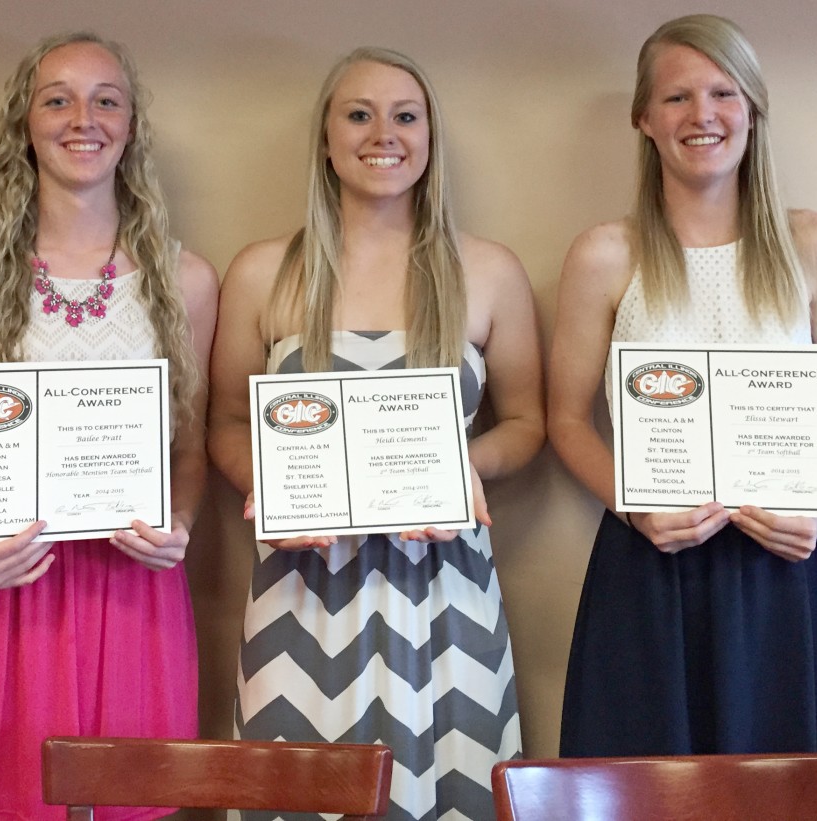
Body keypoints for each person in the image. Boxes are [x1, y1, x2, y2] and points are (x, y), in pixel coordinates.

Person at [548, 14, 817, 820]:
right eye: (675, 96)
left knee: (803, 793)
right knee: (649, 791)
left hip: (790, 564)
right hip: (653, 569)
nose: (700, 114)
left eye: (721, 93)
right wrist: (636, 505)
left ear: (753, 108)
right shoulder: (605, 253)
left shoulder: (813, 244)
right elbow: (568, 419)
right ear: (643, 117)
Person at [0, 32, 218, 820]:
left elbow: (190, 452)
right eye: (58, 98)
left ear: (131, 125)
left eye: (107, 98)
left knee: (129, 804)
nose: (84, 117)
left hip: (130, 601)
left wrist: (179, 522)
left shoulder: (186, 280)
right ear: (24, 123)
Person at [209, 46, 544, 820]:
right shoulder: (266, 270)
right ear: (326, 140)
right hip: (302, 589)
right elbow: (225, 423)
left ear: (429, 138)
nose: (381, 133)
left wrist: (464, 462)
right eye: (358, 114)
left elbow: (527, 424)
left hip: (447, 591)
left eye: (404, 115)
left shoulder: (486, 270)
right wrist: (263, 485)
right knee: (290, 795)